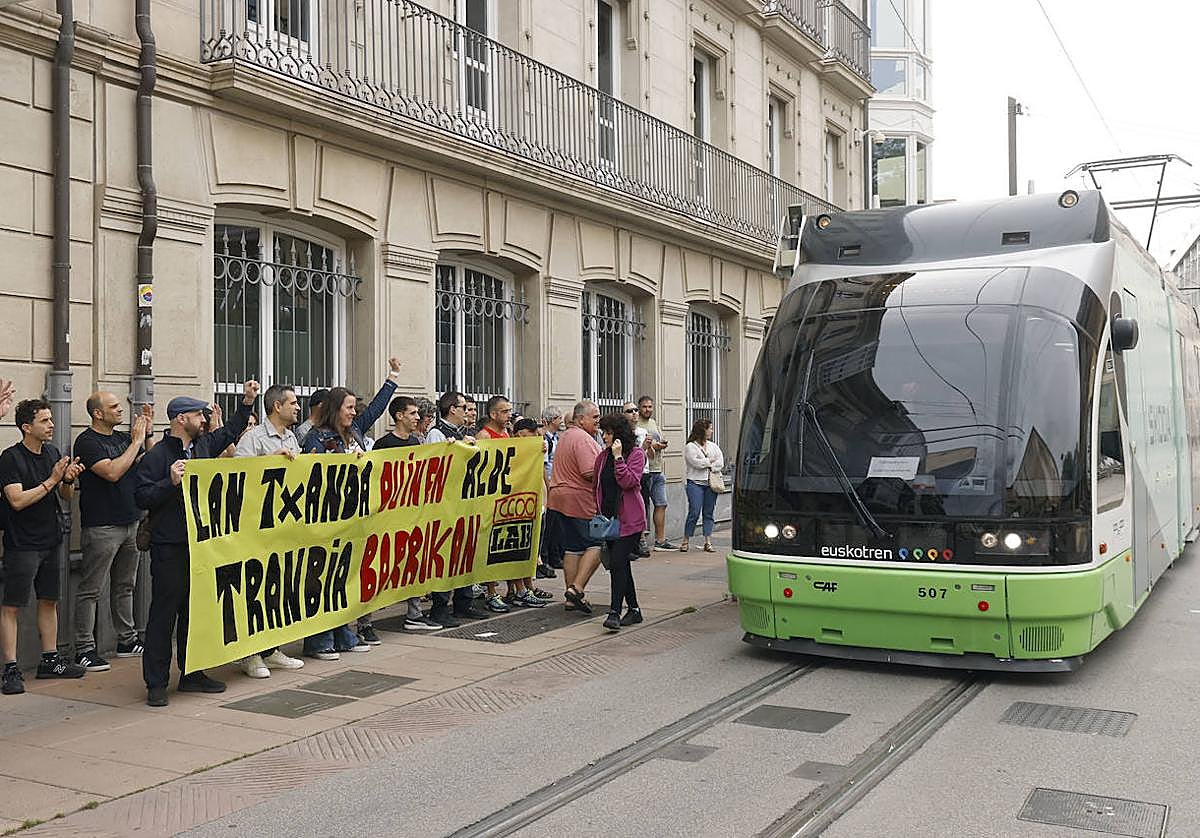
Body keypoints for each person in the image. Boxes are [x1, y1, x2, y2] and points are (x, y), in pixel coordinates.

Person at [135, 380, 259, 707]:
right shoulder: (159, 454)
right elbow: (142, 495)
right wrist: (169, 482)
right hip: (170, 545)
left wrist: (247, 400)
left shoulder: (202, 447)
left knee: (195, 612)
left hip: (199, 544)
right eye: (197, 415)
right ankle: (156, 683)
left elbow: (230, 431)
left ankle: (192, 673)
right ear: (180, 419)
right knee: (164, 614)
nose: (203, 420)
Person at [299, 359, 403, 656]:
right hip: (327, 520)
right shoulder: (317, 439)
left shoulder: (355, 430)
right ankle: (319, 640)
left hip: (354, 518)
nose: (354, 412)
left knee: (344, 579)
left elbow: (376, 408)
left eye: (354, 408)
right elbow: (313, 479)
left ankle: (344, 634)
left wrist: (392, 377)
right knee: (324, 579)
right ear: (335, 409)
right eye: (348, 407)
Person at [1, 399, 87, 695]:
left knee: (49, 600)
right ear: (27, 427)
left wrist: (69, 481)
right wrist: (53, 479)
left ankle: (50, 660)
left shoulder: (52, 452)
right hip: (22, 544)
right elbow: (17, 500)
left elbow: (64, 496)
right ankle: (10, 668)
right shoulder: (11, 458)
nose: (51, 425)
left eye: (51, 420)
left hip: (51, 540)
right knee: (12, 606)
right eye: (45, 421)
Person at [72, 393, 157, 673]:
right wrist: (135, 441)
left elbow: (149, 462)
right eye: (113, 407)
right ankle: (84, 648)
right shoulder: (87, 442)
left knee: (125, 586)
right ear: (98, 414)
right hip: (102, 526)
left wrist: (147, 435)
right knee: (91, 589)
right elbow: (112, 472)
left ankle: (127, 640)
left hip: (131, 521)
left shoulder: (123, 438)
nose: (121, 409)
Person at [232, 384, 306, 679]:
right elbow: (237, 479)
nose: (298, 407)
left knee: (277, 589)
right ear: (277, 406)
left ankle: (271, 649)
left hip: (282, 527)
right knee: (253, 590)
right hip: (256, 529)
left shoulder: (292, 437)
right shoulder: (253, 439)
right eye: (293, 402)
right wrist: (269, 462)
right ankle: (249, 655)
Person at [374, 395, 442, 631]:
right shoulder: (383, 444)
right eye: (412, 413)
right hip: (389, 516)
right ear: (399, 416)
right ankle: (366, 621)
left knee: (413, 563)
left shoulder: (415, 443)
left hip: (412, 515)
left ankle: (414, 614)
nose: (417, 418)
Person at [548, 400, 603, 614]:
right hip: (578, 499)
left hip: (560, 499)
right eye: (595, 417)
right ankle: (576, 589)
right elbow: (589, 471)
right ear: (581, 419)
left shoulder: (566, 436)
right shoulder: (581, 439)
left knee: (573, 547)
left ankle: (571, 598)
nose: (598, 421)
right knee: (598, 544)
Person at [594, 413, 646, 631]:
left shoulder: (635, 454)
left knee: (616, 562)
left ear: (618, 434)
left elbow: (629, 482)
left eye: (607, 432)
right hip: (609, 520)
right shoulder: (602, 457)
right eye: (603, 432)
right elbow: (597, 485)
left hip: (630, 519)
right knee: (621, 563)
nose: (604, 436)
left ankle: (614, 612)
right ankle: (634, 609)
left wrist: (618, 458)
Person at [636, 397, 675, 551]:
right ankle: (642, 540)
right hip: (644, 471)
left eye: (650, 406)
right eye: (644, 407)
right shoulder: (637, 424)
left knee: (661, 503)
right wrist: (654, 445)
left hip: (658, 469)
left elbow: (656, 440)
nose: (647, 409)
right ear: (639, 408)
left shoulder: (653, 422)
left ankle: (660, 540)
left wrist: (662, 444)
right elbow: (639, 443)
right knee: (643, 506)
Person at [682, 418, 724, 553]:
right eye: (709, 428)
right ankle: (686, 539)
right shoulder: (690, 446)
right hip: (695, 482)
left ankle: (708, 541)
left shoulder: (713, 446)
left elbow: (720, 462)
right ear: (702, 430)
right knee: (694, 511)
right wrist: (709, 462)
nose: (711, 431)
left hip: (710, 484)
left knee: (709, 512)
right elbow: (695, 463)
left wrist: (707, 462)